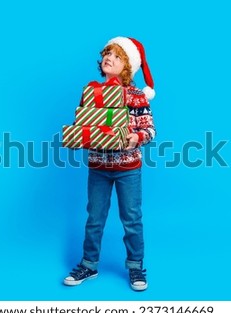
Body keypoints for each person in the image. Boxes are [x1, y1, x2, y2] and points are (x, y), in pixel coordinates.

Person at [64, 37, 156, 291]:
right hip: (98, 167)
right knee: (94, 217)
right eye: (107, 54)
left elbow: (149, 129)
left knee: (132, 218)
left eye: (116, 56)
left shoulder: (137, 96)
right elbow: (85, 124)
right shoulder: (92, 92)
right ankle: (89, 264)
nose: (109, 58)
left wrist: (136, 137)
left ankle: (136, 266)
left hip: (128, 169)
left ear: (127, 66)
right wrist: (78, 134)